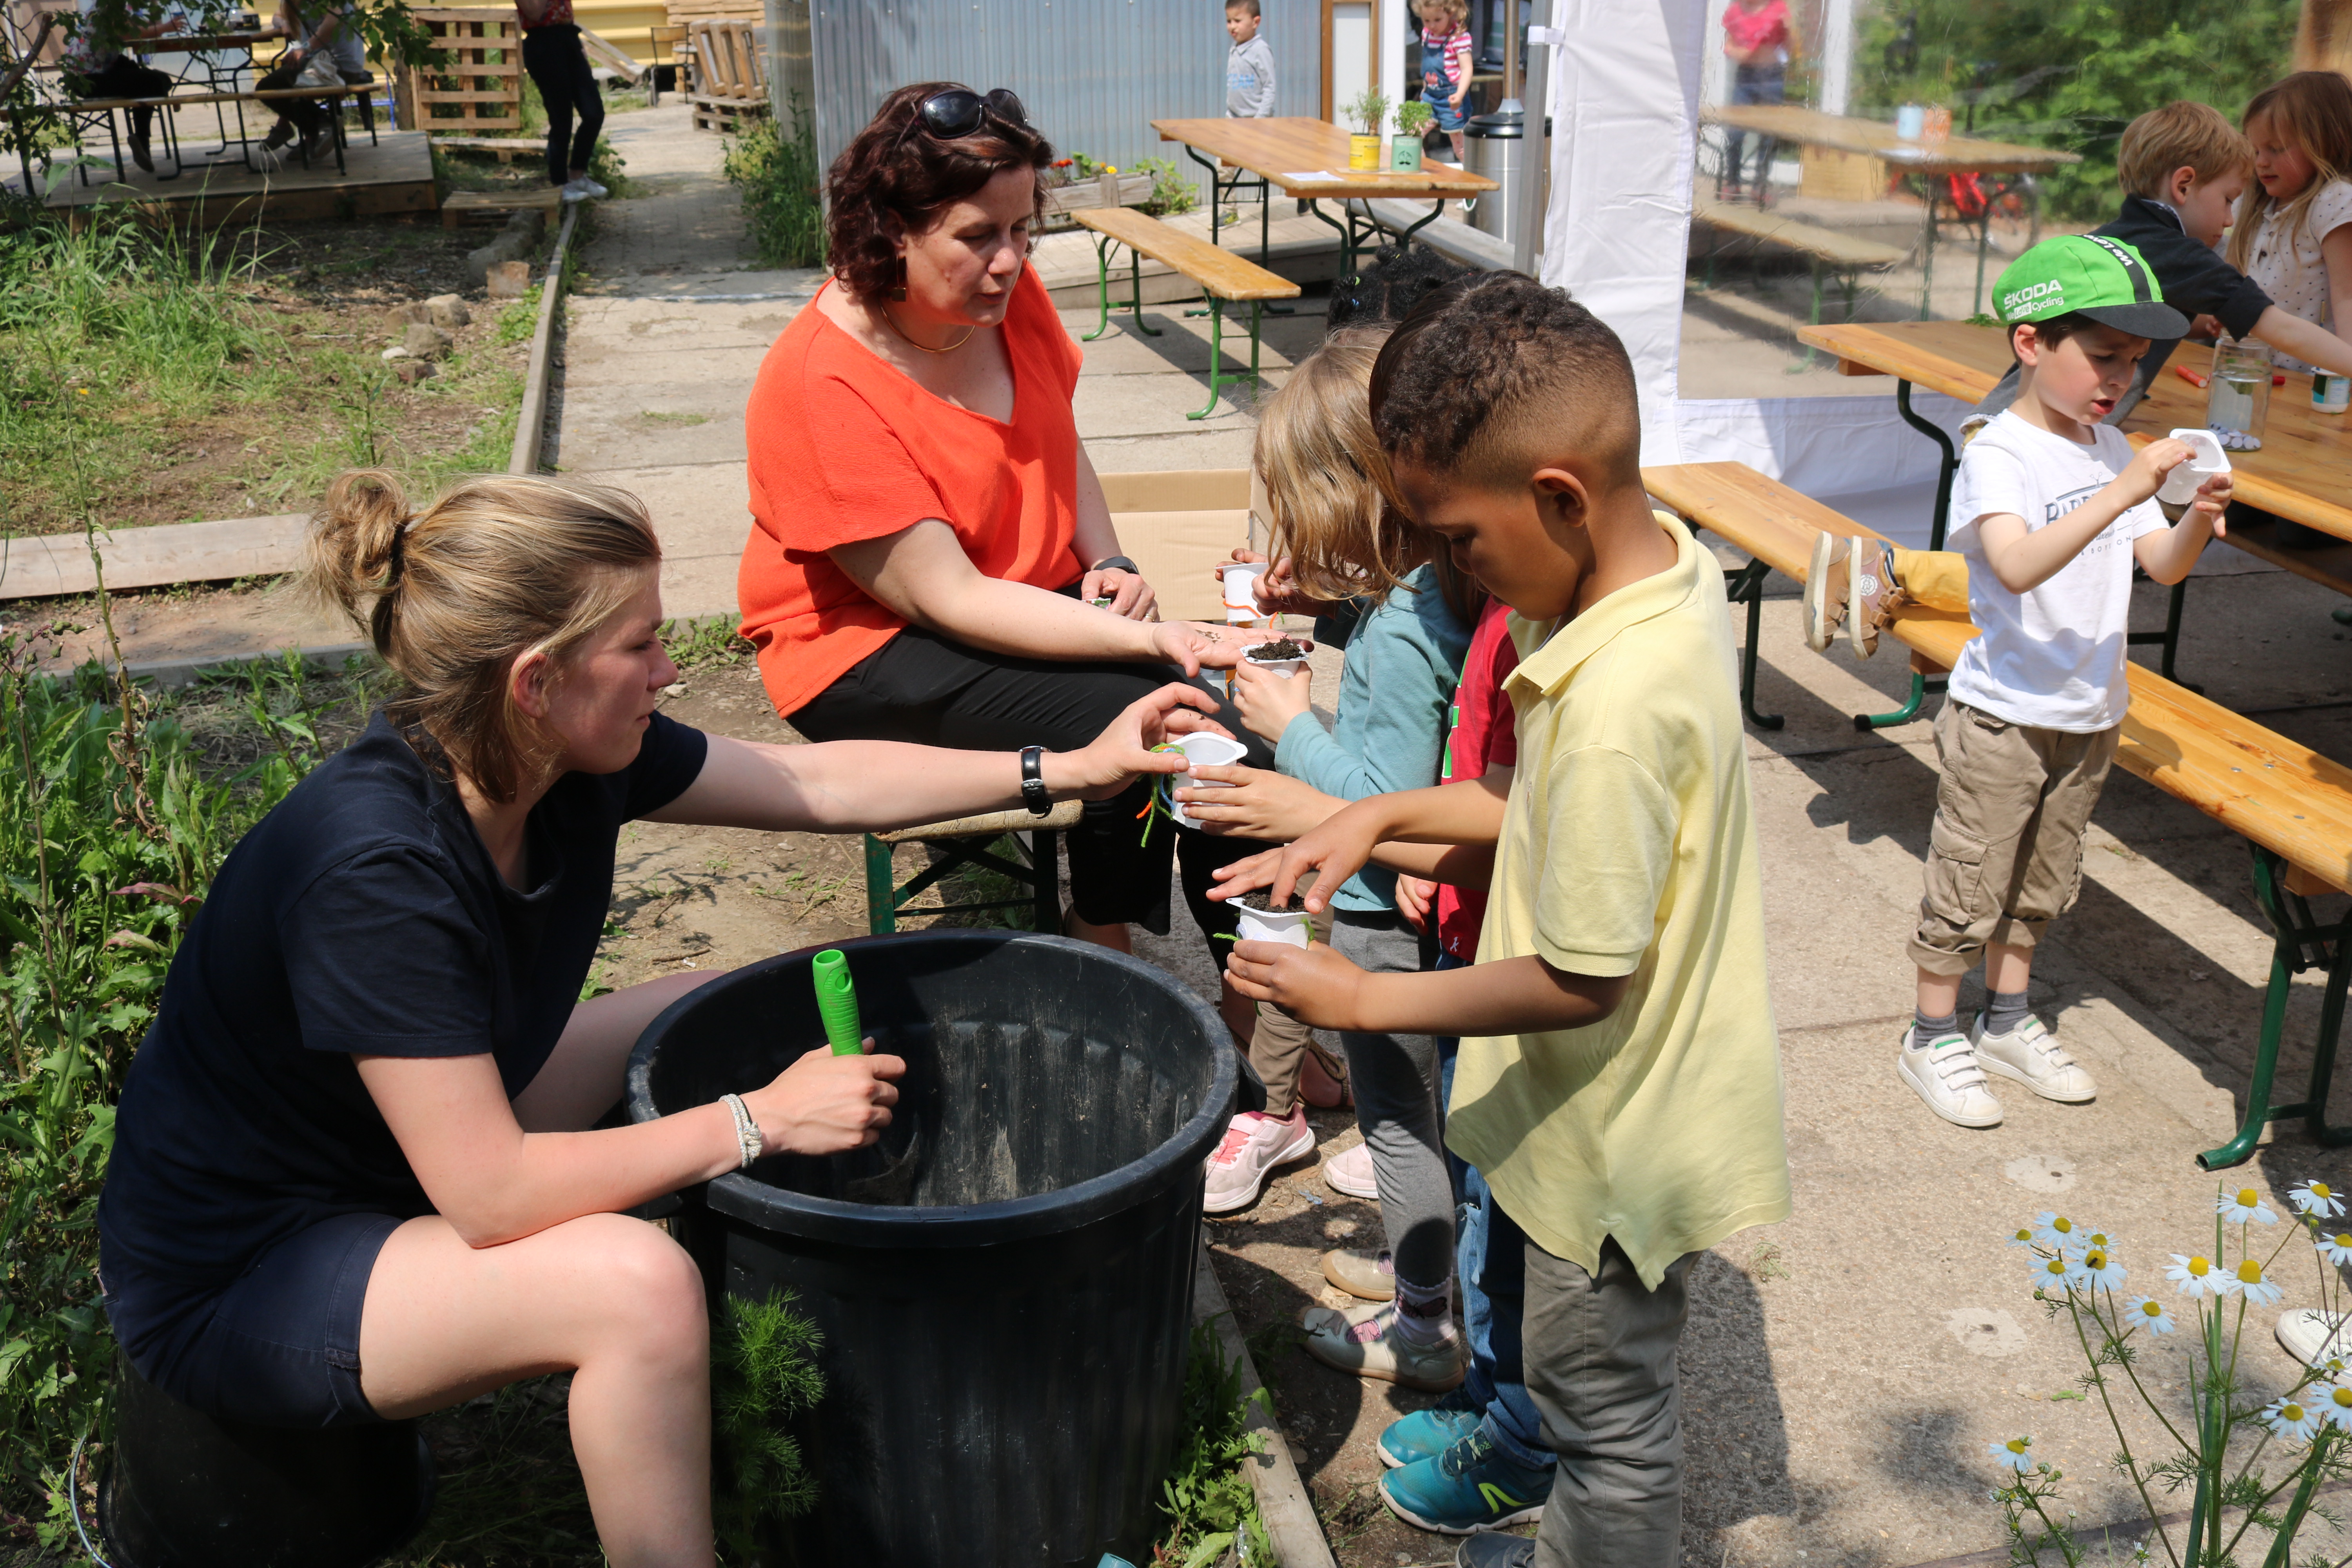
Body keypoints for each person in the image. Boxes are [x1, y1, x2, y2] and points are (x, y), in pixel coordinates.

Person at [94, 468, 1217, 1568]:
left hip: (382, 1162)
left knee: (708, 1008)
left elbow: (817, 786)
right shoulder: (377, 873)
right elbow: (491, 1197)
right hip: (252, 1268)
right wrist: (756, 1122)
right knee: (634, 1288)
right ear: (536, 681)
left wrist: (1067, 766)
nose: (672, 670)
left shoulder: (556, 759)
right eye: (641, 644)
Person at [1212, 273, 1793, 1568]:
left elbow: (1583, 977)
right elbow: (1520, 798)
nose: (1453, 570)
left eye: (1461, 538)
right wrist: (1378, 814)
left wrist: (1365, 999)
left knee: (1607, 1426)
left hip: (1612, 1142)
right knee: (1588, 1398)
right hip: (1632, 1099)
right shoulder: (1655, 578)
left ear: (1559, 498)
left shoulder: (1611, 705)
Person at [738, 81, 1283, 1058]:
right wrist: (1143, 637)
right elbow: (947, 596)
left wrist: (1107, 557)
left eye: (1024, 230)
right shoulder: (823, 382)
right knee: (1175, 716)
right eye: (978, 236)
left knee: (1202, 724)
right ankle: (1142, 956)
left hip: (1006, 593)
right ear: (889, 232)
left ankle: (1241, 998)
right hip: (866, 648)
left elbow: (1054, 434)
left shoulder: (999, 295)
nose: (1010, 260)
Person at [1808, 236, 2232, 1132]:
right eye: (2104, 355)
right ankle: (1930, 1033)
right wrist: (2124, 490)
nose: (2120, 378)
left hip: (2091, 709)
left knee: (2044, 877)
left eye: (2135, 360)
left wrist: (2195, 516)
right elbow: (2015, 563)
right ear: (2032, 344)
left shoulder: (2109, 445)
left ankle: (2005, 1019)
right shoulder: (2000, 452)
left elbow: (2161, 565)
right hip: (2003, 713)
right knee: (1969, 879)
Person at [1180, 334, 1477, 1376]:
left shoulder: (1400, 631)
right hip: (1431, 907)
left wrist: (1290, 722)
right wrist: (1329, 609)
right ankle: (1441, 1274)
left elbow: (1381, 803)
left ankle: (1423, 1323)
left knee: (1398, 1123)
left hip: (1381, 915)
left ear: (1354, 492)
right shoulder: (1443, 585)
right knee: (1437, 1116)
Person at [1961, 100, 2352, 432]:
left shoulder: (2113, 237)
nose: (2230, 219)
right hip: (2043, 440)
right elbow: (2281, 328)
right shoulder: (2179, 256)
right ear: (2184, 185)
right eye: (2228, 199)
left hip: (2002, 419)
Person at [59, 0, 182, 173]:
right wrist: (165, 28)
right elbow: (129, 33)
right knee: (151, 83)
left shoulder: (121, 6)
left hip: (104, 67)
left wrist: (155, 7)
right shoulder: (109, 6)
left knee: (160, 80)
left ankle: (142, 142)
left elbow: (149, 28)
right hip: (86, 79)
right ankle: (142, 141)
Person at [517, 0, 608, 201]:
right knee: (561, 118)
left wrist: (579, 48)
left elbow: (565, 15)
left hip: (569, 40)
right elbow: (535, 14)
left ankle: (577, 176)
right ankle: (560, 184)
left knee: (594, 113)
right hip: (543, 45)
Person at [255, 0, 362, 166]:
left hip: (336, 68)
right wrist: (284, 23)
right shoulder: (301, 3)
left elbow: (331, 24)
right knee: (285, 75)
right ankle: (308, 132)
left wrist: (305, 48)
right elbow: (278, 15)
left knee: (267, 88)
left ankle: (318, 127)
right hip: (322, 65)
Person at [1718, 0, 1790, 204]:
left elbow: (1791, 46)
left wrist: (1789, 31)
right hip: (1746, 78)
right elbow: (1728, 45)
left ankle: (1760, 185)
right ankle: (1733, 181)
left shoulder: (1778, 8)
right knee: (1735, 132)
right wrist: (1738, 53)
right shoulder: (1736, 11)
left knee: (1768, 134)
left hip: (1772, 77)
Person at [1414, 0, 1473, 165]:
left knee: (1460, 147)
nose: (1432, 25)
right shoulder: (1427, 34)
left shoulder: (1459, 38)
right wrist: (1425, 89)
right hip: (1430, 96)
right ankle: (1423, 173)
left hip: (1451, 98)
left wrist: (1460, 95)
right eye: (1427, 20)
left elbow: (1467, 69)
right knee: (1413, 134)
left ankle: (1474, 175)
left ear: (1450, 13)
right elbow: (1428, 66)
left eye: (1438, 20)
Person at [1225, 0, 1274, 118]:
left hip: (1256, 120)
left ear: (1255, 22)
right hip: (1234, 119)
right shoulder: (1235, 49)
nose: (1232, 27)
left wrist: (1260, 119)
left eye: (1238, 21)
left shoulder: (1260, 50)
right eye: (1229, 21)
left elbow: (1269, 88)